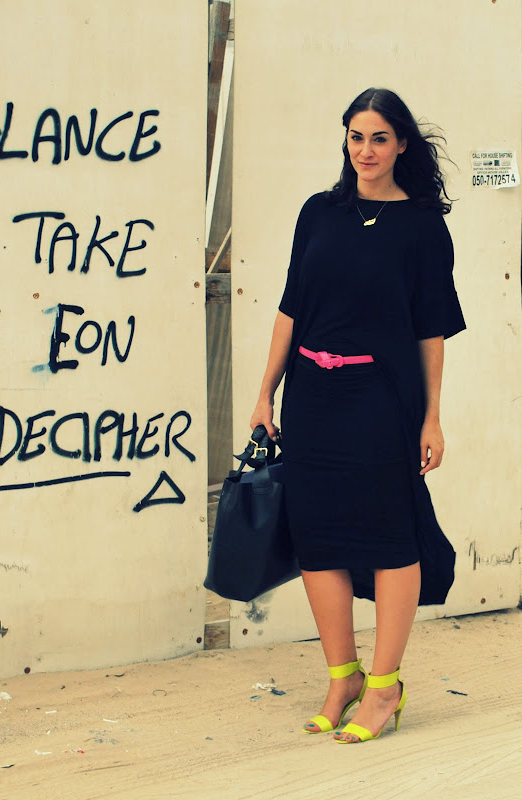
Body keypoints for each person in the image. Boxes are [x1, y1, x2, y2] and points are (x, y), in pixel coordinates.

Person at [250, 88, 465, 743]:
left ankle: (384, 687)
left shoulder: (423, 226)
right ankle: (342, 677)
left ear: (401, 145)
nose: (365, 150)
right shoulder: (318, 212)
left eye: (378, 138)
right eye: (355, 136)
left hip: (381, 399)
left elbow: (431, 331)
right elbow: (290, 309)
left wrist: (432, 418)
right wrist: (265, 394)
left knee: (389, 535)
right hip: (312, 397)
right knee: (317, 537)